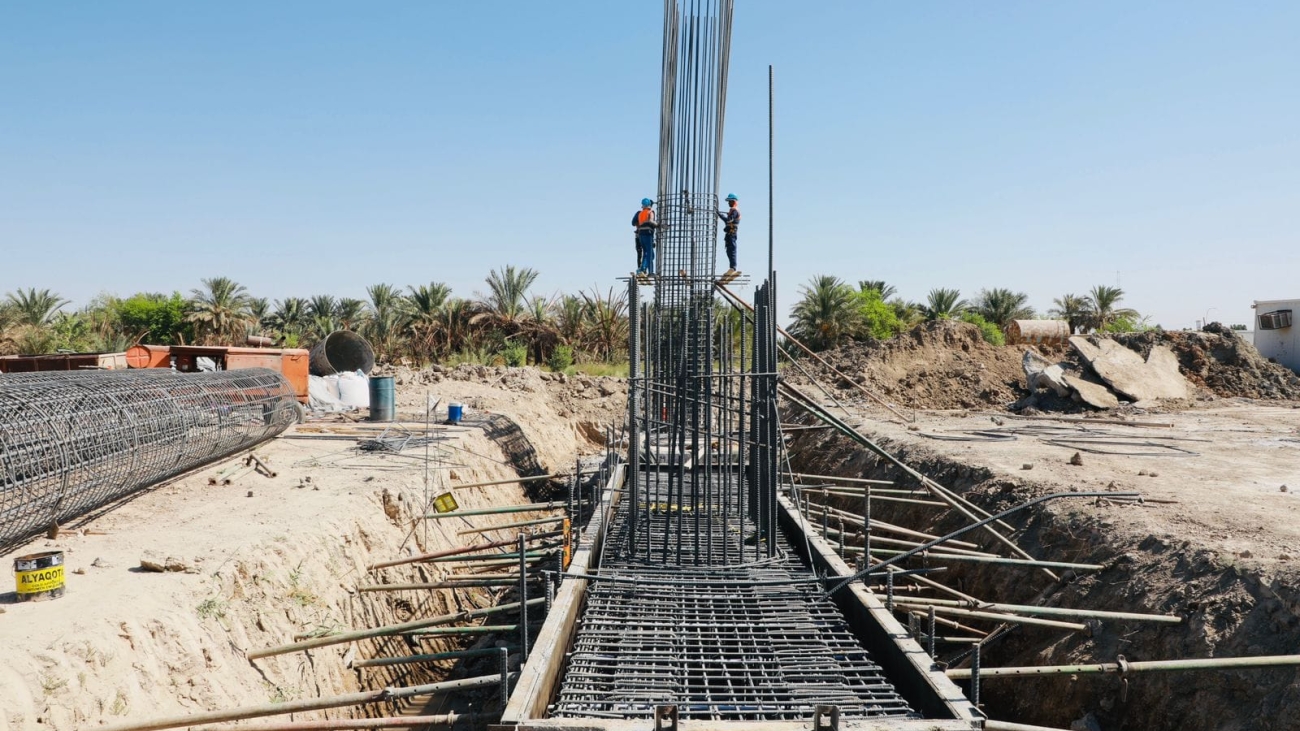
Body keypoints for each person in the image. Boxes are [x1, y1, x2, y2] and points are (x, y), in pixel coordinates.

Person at [631, 197, 657, 276]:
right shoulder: (650, 212)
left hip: (641, 235)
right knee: (650, 254)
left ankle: (641, 269)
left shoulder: (640, 213)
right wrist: (658, 224)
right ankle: (650, 271)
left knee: (646, 253)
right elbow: (651, 221)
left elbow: (634, 222)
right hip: (648, 234)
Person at [717, 193, 740, 274]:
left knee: (732, 250)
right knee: (729, 251)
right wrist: (720, 215)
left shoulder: (735, 210)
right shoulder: (732, 211)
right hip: (729, 235)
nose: (728, 203)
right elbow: (727, 220)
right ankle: (732, 267)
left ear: (733, 201)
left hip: (732, 234)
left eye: (729, 201)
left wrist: (726, 216)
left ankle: (733, 267)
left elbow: (729, 220)